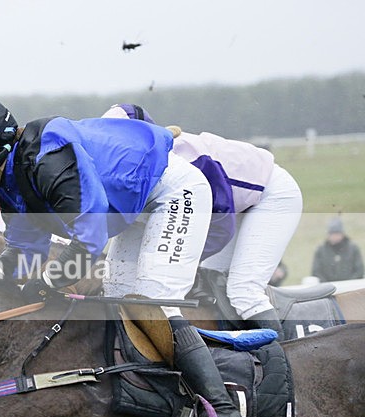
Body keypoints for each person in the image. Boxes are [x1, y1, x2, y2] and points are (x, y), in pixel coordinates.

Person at [0, 94, 244, 417]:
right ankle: (160, 397)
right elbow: (24, 250)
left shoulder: (49, 158)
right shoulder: (11, 183)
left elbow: (89, 240)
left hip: (173, 192)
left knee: (155, 300)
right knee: (119, 300)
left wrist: (47, 281)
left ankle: (222, 406)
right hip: (135, 210)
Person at [102, 104, 304, 339]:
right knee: (212, 290)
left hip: (270, 196)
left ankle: (285, 356)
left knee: (243, 292)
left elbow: (221, 225)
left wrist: (177, 262)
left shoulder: (184, 163)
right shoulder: (133, 167)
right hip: (233, 205)